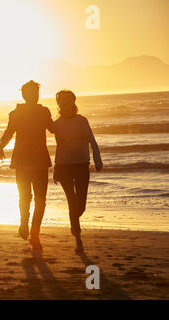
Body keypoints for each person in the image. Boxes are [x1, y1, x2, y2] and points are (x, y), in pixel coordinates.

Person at [0, 80, 53, 253]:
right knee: (29, 197)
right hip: (27, 161)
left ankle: (32, 230)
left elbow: (53, 129)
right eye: (31, 94)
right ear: (24, 95)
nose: (34, 97)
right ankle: (26, 224)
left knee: (37, 198)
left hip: (33, 160)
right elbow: (9, 131)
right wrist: (0, 145)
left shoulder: (38, 112)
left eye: (36, 94)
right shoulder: (20, 113)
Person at [52, 90, 103, 254]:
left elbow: (92, 141)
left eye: (67, 102)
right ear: (59, 105)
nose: (64, 105)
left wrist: (97, 159)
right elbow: (58, 148)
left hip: (82, 165)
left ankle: (76, 225)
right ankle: (78, 238)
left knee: (80, 204)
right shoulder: (57, 124)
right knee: (71, 201)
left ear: (73, 103)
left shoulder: (82, 121)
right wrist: (56, 168)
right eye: (61, 103)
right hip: (64, 166)